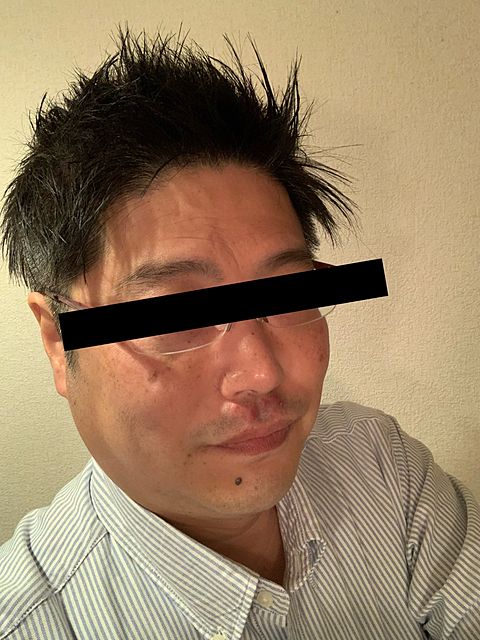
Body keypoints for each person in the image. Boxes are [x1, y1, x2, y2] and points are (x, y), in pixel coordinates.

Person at [0, 28, 479, 640]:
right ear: (58, 342)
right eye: (173, 313)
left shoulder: (381, 464)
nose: (261, 372)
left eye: (287, 294)